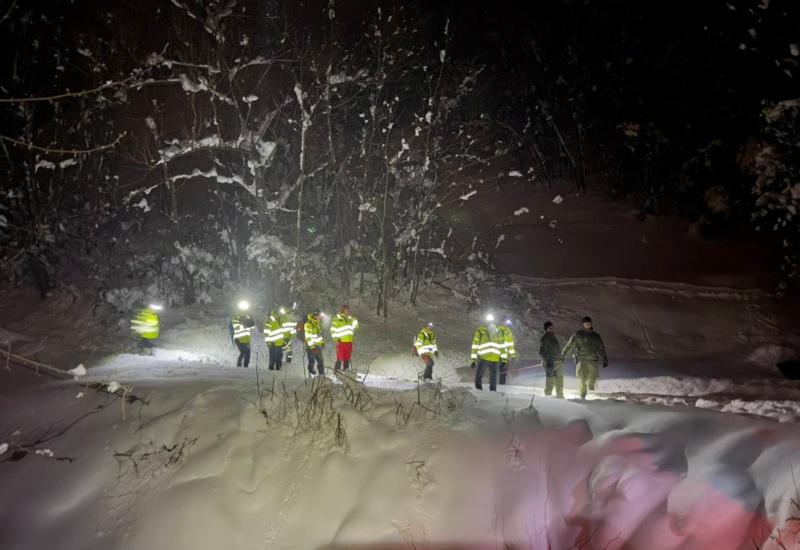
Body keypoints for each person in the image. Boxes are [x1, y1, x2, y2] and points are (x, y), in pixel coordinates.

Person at [561, 316, 608, 399]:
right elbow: (569, 345)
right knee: (582, 378)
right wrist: (563, 354)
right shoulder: (578, 334)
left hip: (593, 359)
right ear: (583, 324)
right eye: (586, 323)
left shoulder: (596, 336)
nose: (587, 324)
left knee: (594, 376)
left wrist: (604, 358)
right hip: (581, 359)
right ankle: (582, 396)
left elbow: (601, 347)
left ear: (591, 324)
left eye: (589, 323)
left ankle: (590, 385)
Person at [470, 313, 507, 391]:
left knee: (493, 376)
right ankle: (478, 389)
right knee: (480, 374)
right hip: (484, 357)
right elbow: (475, 344)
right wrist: (473, 359)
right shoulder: (481, 330)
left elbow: (502, 345)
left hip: (495, 358)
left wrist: (504, 359)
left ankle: (493, 391)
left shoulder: (498, 331)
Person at [331, 304, 359, 371]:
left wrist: (353, 318)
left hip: (349, 342)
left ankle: (345, 370)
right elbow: (333, 330)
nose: (348, 311)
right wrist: (335, 340)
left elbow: (356, 326)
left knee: (347, 358)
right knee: (340, 358)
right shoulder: (336, 319)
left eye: (349, 310)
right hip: (340, 342)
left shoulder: (350, 319)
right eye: (347, 310)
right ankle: (336, 371)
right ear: (343, 310)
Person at [540, 321, 563, 398]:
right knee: (550, 381)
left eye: (553, 327)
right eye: (550, 328)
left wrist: (560, 358)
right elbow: (542, 352)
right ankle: (548, 397)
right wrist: (547, 361)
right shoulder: (544, 338)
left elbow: (556, 350)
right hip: (550, 363)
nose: (552, 329)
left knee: (559, 380)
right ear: (546, 329)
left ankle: (560, 396)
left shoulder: (553, 337)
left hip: (558, 362)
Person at [231, 300, 255, 368]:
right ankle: (240, 366)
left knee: (246, 353)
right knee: (245, 352)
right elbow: (236, 325)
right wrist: (244, 323)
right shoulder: (236, 317)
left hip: (246, 340)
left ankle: (244, 367)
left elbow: (253, 326)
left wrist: (251, 320)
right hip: (239, 339)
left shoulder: (247, 316)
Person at [304, 310, 325, 375]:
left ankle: (322, 375)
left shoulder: (317, 324)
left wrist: (322, 342)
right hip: (310, 346)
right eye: (320, 316)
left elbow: (319, 335)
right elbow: (308, 337)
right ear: (315, 316)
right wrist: (312, 347)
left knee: (321, 360)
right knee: (311, 361)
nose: (321, 318)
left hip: (317, 346)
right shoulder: (308, 324)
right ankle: (311, 376)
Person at [497, 317, 517, 385]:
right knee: (496, 372)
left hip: (505, 356)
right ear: (501, 322)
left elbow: (510, 344)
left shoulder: (508, 331)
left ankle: (502, 386)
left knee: (503, 372)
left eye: (506, 322)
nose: (506, 323)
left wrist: (512, 355)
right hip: (497, 355)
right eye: (504, 322)